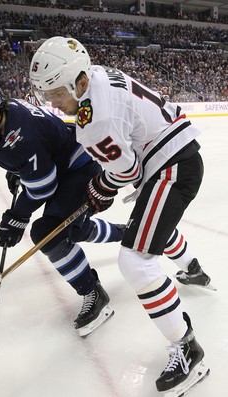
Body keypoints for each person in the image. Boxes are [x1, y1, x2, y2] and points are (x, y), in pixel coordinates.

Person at [29, 36, 210, 395]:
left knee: (135, 261)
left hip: (171, 167)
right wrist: (106, 180)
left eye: (56, 94)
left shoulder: (94, 119)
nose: (53, 102)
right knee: (147, 231)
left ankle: (188, 350)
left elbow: (126, 173)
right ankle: (193, 267)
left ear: (78, 81)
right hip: (169, 155)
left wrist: (101, 185)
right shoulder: (96, 76)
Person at [0, 78, 124, 337]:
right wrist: (22, 171)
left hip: (80, 169)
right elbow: (37, 156)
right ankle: (125, 232)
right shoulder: (4, 118)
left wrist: (17, 216)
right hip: (66, 167)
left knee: (48, 234)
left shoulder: (21, 134)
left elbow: (43, 187)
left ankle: (93, 292)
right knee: (72, 231)